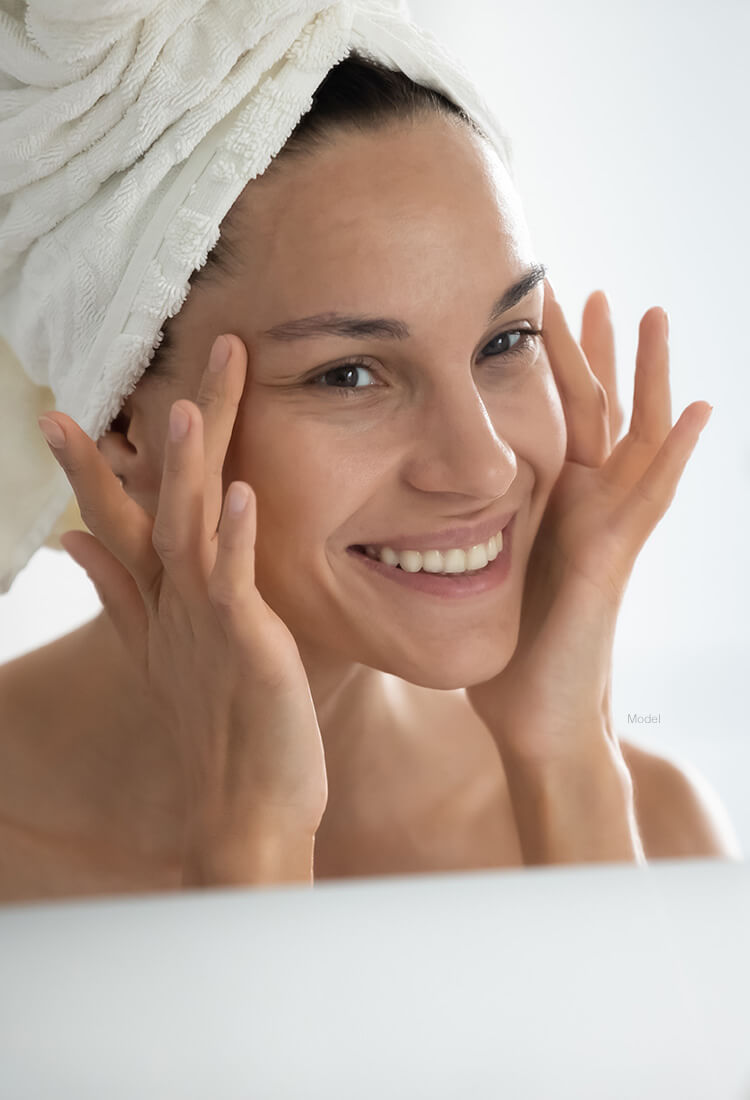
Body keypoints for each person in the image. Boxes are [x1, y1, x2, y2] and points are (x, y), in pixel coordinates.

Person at [0, 50, 741, 904]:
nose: (485, 465)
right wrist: (250, 829)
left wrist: (564, 766)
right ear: (125, 430)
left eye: (505, 342)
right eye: (350, 374)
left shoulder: (655, 830)